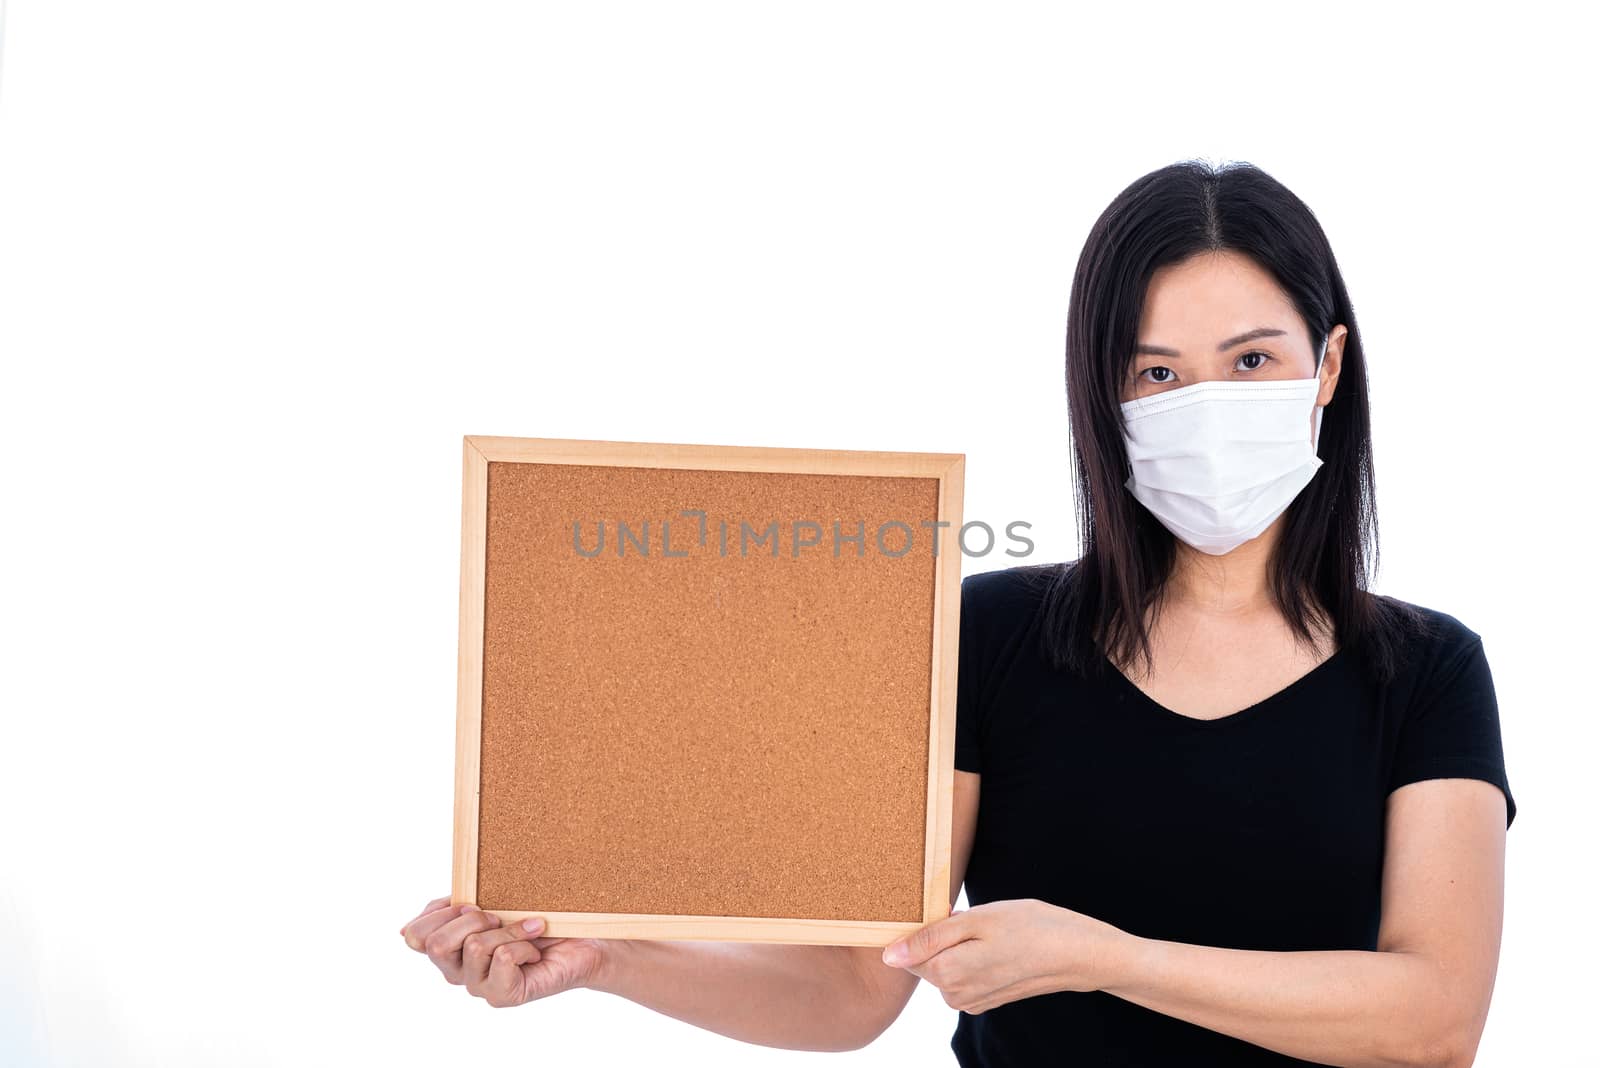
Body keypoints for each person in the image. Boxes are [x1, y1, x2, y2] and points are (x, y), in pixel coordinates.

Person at [400, 159, 1515, 1067]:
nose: (1209, 405)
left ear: (1325, 368)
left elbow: (1429, 1023)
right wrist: (612, 956)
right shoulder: (991, 638)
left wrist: (1106, 958)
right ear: (1104, 394)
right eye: (1159, 375)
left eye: (1252, 360)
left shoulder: (1424, 670)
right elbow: (849, 990)